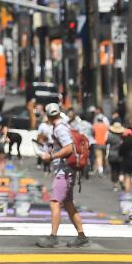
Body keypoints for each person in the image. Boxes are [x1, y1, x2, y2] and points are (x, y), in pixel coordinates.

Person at [36, 103, 88, 249]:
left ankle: (53, 237)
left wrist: (52, 156)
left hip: (64, 171)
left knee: (54, 202)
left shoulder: (59, 128)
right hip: (68, 170)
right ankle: (81, 236)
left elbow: (69, 148)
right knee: (68, 204)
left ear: (47, 115)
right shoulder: (62, 126)